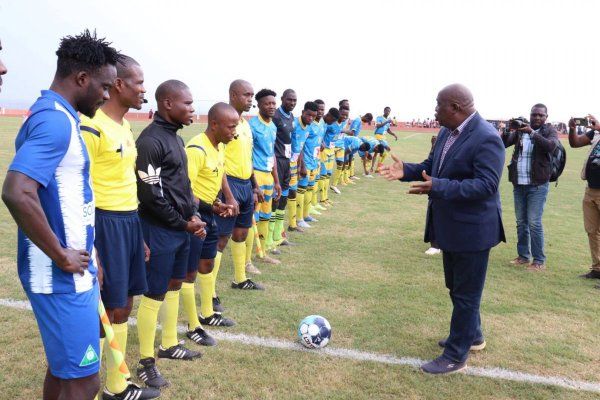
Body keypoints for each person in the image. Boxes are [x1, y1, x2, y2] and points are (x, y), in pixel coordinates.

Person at [2, 30, 118, 400]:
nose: (107, 95)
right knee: (84, 383)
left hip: (73, 272)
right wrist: (61, 254)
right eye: (104, 87)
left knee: (64, 372)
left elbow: (65, 198)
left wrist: (90, 253)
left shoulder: (60, 116)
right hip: (59, 278)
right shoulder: (55, 121)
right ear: (82, 79)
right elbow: (17, 191)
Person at [381, 83, 505, 374]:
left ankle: (455, 356)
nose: (434, 111)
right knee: (456, 287)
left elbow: (486, 185)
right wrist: (406, 170)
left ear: (455, 107)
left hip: (473, 230)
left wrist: (439, 186)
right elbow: (432, 167)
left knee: (466, 294)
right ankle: (473, 336)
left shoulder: (487, 137)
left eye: (438, 105)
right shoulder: (448, 132)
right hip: (451, 226)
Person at [80, 55, 160, 400]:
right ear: (118, 84)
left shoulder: (125, 126)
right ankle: (89, 387)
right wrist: (92, 244)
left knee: (124, 305)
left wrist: (137, 234)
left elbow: (126, 182)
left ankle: (117, 386)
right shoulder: (91, 124)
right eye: (139, 83)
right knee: (102, 310)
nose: (144, 89)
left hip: (128, 222)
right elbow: (79, 186)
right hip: (103, 222)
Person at [135, 80, 205, 388]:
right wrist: (182, 222)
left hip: (180, 228)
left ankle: (169, 343)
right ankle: (146, 362)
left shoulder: (175, 137)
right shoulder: (150, 141)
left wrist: (193, 214)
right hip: (159, 230)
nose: (192, 108)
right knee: (154, 293)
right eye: (187, 103)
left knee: (175, 284)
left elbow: (182, 186)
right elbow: (151, 196)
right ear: (167, 103)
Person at [183, 102, 237, 339]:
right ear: (214, 124)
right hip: (193, 215)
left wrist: (222, 199)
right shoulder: (196, 149)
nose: (234, 132)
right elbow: (184, 190)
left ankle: (207, 313)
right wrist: (210, 207)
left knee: (207, 263)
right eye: (230, 127)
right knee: (189, 273)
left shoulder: (220, 146)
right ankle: (193, 325)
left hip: (209, 212)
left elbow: (218, 172)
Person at [213, 79, 270, 301]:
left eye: (252, 95)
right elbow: (218, 162)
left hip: (246, 184)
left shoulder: (245, 124)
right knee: (221, 238)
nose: (250, 100)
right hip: (229, 184)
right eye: (247, 95)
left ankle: (240, 279)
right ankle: (211, 292)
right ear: (233, 95)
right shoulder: (225, 124)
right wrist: (228, 194)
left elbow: (247, 158)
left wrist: (255, 186)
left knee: (241, 233)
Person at [501, 105, 558, 271]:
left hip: (537, 185)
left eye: (541, 115)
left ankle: (539, 261)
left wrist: (532, 133)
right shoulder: (520, 130)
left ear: (546, 117)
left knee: (534, 223)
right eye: (534, 114)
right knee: (521, 222)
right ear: (530, 115)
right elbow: (503, 144)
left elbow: (550, 146)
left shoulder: (549, 131)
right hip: (519, 183)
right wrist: (507, 130)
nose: (537, 117)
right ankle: (523, 256)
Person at [251, 89, 282, 272]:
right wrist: (253, 184)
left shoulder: (273, 126)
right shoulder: (252, 126)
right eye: (267, 103)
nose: (271, 106)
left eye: (273, 103)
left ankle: (261, 253)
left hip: (269, 177)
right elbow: (247, 156)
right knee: (252, 219)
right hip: (256, 175)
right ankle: (247, 260)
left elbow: (272, 155)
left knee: (266, 216)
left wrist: (276, 181)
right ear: (259, 105)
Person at [568, 114, 600, 285]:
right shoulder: (595, 134)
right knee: (592, 231)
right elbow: (575, 143)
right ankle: (597, 269)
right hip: (591, 189)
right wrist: (572, 129)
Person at [272, 89, 298, 237]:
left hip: (287, 160)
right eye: (289, 99)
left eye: (294, 100)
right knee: (276, 198)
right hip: (277, 161)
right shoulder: (275, 116)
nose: (292, 103)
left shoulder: (291, 116)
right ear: (282, 99)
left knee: (284, 198)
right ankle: (270, 237)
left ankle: (279, 234)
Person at [294, 102, 319, 227]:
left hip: (311, 162)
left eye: (313, 116)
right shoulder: (294, 124)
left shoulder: (310, 126)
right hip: (299, 163)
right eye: (309, 115)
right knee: (300, 190)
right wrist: (302, 165)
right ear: (303, 112)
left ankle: (305, 215)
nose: (311, 118)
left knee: (308, 188)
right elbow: (299, 147)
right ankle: (298, 219)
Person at [317, 105, 340, 207]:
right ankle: (321, 199)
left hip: (330, 150)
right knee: (322, 176)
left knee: (327, 175)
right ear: (329, 115)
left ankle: (325, 198)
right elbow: (319, 135)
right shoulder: (322, 123)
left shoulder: (326, 123)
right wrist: (321, 142)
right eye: (333, 120)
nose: (333, 122)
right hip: (323, 152)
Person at [374, 106, 398, 171]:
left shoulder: (389, 119)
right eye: (387, 111)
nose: (388, 112)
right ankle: (378, 167)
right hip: (378, 135)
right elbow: (378, 126)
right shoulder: (379, 118)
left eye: (389, 111)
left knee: (384, 152)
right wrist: (387, 121)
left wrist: (394, 134)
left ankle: (378, 167)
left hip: (383, 137)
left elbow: (388, 130)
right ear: (384, 111)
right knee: (387, 148)